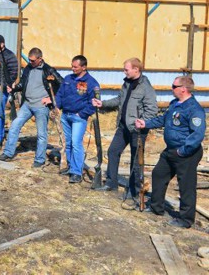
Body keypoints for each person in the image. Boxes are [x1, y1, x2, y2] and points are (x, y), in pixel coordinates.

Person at [136, 76, 205, 228]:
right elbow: (163, 120)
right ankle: (156, 207)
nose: (171, 88)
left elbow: (197, 134)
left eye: (173, 86)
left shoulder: (194, 109)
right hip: (171, 151)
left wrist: (183, 150)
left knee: (186, 186)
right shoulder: (174, 104)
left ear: (183, 89)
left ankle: (185, 219)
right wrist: (145, 123)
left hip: (186, 153)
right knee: (159, 174)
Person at [92, 58, 158, 196]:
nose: (124, 72)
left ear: (136, 69)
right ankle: (111, 183)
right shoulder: (126, 83)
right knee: (112, 151)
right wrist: (102, 104)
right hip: (123, 127)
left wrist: (143, 122)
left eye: (126, 69)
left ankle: (134, 191)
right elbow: (119, 100)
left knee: (135, 160)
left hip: (137, 130)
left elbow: (152, 109)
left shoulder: (145, 87)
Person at [0, 47, 62, 167]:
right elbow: (23, 83)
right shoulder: (28, 68)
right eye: (29, 60)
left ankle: (39, 159)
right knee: (15, 126)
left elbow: (62, 85)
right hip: (27, 105)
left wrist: (52, 99)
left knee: (42, 134)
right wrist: (14, 88)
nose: (30, 62)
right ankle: (8, 153)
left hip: (41, 107)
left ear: (40, 59)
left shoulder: (49, 70)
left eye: (32, 60)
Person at [54, 55, 99, 183]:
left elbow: (94, 102)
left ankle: (76, 172)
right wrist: (57, 106)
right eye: (72, 66)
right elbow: (60, 94)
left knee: (76, 143)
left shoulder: (91, 83)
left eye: (75, 66)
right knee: (67, 143)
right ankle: (70, 166)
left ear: (83, 67)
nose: (72, 68)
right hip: (65, 115)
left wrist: (82, 114)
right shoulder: (68, 79)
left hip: (78, 118)